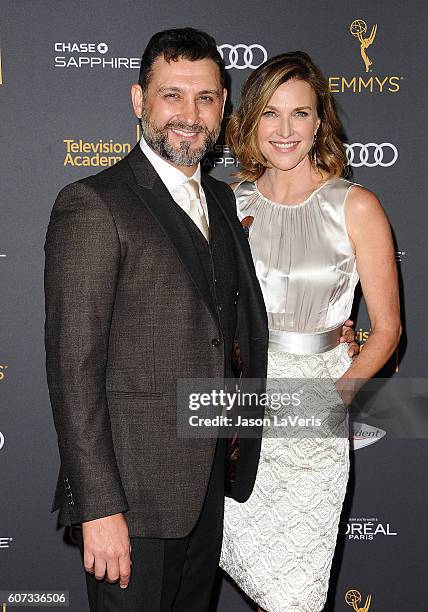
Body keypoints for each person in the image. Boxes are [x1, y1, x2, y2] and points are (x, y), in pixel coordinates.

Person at [44, 28, 271, 612]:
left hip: (209, 492)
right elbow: (75, 371)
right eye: (172, 96)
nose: (189, 116)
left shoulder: (223, 201)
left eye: (205, 98)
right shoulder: (94, 203)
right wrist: (97, 507)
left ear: (223, 106)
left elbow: (233, 330)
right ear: (139, 100)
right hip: (131, 503)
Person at [220, 51, 401, 612]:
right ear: (250, 121)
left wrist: (335, 397)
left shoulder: (356, 205)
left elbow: (389, 329)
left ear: (319, 121)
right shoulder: (228, 203)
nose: (285, 130)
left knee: (295, 593)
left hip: (318, 403)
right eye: (270, 113)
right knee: (212, 555)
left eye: (300, 114)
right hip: (243, 402)